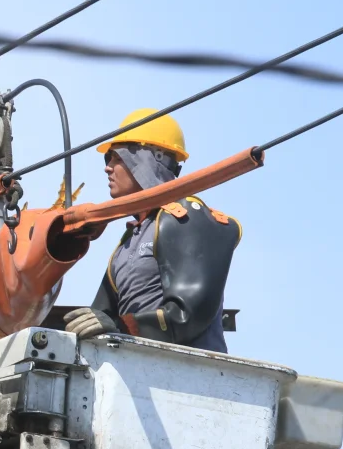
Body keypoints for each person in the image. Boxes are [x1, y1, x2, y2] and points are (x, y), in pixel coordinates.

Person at [61, 109, 241, 353]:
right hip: (136, 371)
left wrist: (120, 326)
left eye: (116, 158)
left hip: (186, 375)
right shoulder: (128, 242)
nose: (108, 168)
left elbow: (188, 315)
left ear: (144, 160)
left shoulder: (184, 217)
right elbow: (97, 317)